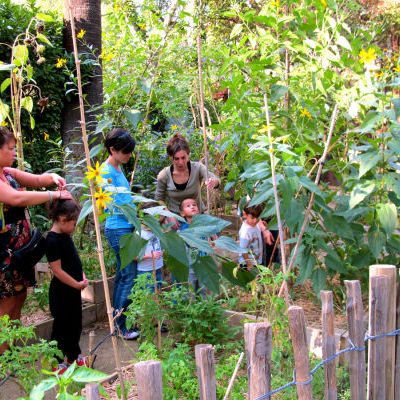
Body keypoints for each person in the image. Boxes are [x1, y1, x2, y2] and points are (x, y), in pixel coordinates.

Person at [0, 127, 72, 353]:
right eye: (10, 149)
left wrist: (52, 178)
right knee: (6, 302)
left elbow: (37, 180)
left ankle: (11, 353)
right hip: (4, 253)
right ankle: (2, 357)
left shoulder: (7, 172)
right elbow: (17, 197)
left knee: (19, 296)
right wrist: (54, 195)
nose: (14, 153)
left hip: (21, 251)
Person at [102, 128, 139, 340]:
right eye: (126, 152)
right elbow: (116, 203)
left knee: (123, 276)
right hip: (118, 229)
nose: (129, 155)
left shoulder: (117, 169)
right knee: (129, 276)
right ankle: (121, 327)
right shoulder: (106, 171)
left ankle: (118, 323)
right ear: (113, 149)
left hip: (124, 228)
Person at [45, 199, 88, 373]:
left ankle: (72, 356)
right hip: (61, 293)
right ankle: (56, 361)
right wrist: (76, 284)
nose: (75, 227)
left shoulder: (66, 236)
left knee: (75, 324)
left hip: (73, 290)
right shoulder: (52, 240)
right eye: (73, 223)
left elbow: (74, 260)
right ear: (62, 219)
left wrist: (82, 276)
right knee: (62, 327)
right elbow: (57, 271)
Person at [155, 133, 220, 219]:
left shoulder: (198, 168)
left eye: (183, 157)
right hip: (175, 219)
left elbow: (216, 180)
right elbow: (158, 199)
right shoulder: (164, 175)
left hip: (197, 217)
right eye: (176, 159)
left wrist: (213, 182)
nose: (180, 162)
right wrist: (169, 216)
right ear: (171, 157)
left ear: (188, 154)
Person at [179, 198, 214, 296]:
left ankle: (204, 308)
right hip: (190, 267)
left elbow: (214, 238)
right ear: (182, 214)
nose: (192, 207)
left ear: (198, 209)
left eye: (194, 205)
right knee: (190, 291)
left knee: (204, 290)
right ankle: (190, 309)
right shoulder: (185, 229)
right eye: (188, 206)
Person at [136, 202, 164, 291]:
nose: (158, 220)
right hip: (146, 272)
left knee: (158, 294)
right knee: (149, 296)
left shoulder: (155, 231)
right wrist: (150, 255)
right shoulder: (139, 235)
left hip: (157, 269)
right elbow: (133, 256)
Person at [238, 202, 264, 271]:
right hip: (247, 264)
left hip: (256, 261)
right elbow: (243, 250)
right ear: (245, 215)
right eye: (252, 218)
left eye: (257, 217)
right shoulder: (245, 231)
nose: (255, 220)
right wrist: (249, 264)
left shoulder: (256, 225)